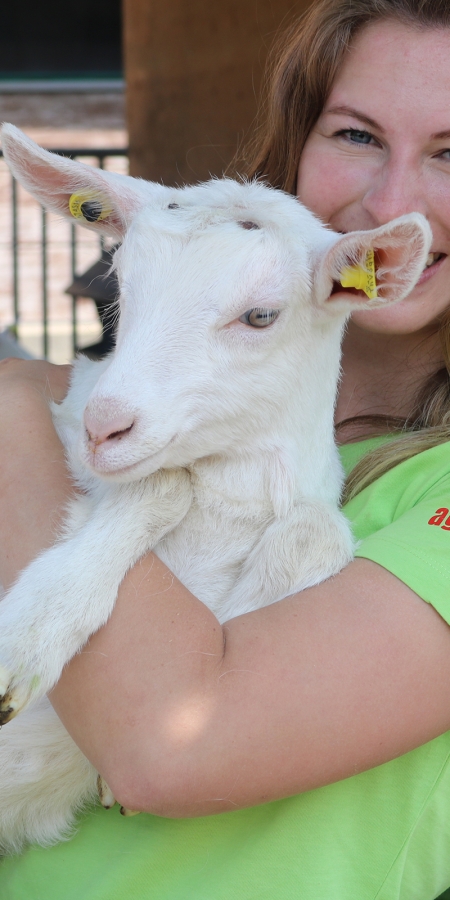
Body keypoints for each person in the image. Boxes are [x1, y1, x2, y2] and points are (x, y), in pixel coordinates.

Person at [1, 0, 450, 897]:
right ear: (295, 144)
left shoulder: (30, 422)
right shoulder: (108, 414)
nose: (392, 200)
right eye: (357, 135)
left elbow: (172, 747)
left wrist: (12, 400)